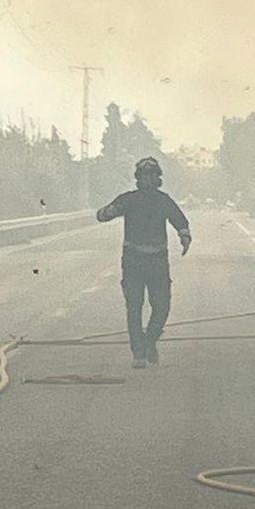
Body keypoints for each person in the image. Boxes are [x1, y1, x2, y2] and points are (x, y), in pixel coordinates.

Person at [96, 156, 191, 369]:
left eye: (153, 175)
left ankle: (150, 340)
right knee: (134, 307)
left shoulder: (163, 201)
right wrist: (107, 212)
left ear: (158, 179)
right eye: (145, 176)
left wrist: (184, 235)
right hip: (133, 260)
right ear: (138, 179)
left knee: (162, 306)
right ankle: (139, 351)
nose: (149, 179)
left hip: (157, 260)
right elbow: (102, 215)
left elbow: (180, 221)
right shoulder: (128, 200)